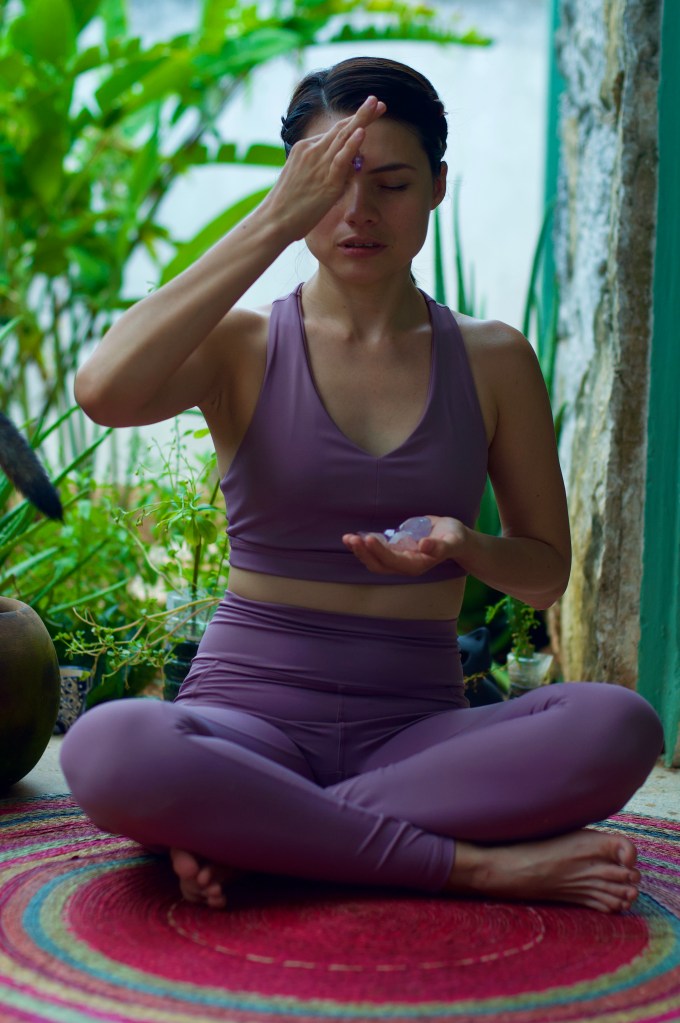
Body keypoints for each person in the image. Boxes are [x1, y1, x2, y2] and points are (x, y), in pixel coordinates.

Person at [61, 56, 663, 914]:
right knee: (110, 744)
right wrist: (273, 220)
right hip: (245, 721)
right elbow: (100, 391)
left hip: (418, 735)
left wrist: (467, 544)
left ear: (437, 187)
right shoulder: (241, 346)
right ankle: (473, 867)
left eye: (392, 184)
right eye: (328, 183)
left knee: (621, 725)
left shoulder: (494, 359)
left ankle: (262, 834)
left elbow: (544, 573)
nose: (358, 212)